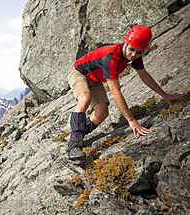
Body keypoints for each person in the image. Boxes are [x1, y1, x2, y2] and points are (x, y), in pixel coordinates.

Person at [67, 25, 186, 161]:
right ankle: (74, 147)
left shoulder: (135, 58)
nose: (134, 54)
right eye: (132, 49)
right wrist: (131, 120)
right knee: (85, 97)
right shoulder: (111, 57)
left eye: (139, 52)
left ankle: (76, 135)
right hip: (79, 72)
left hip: (94, 78)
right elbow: (115, 91)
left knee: (102, 113)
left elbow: (144, 76)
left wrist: (164, 94)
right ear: (127, 43)